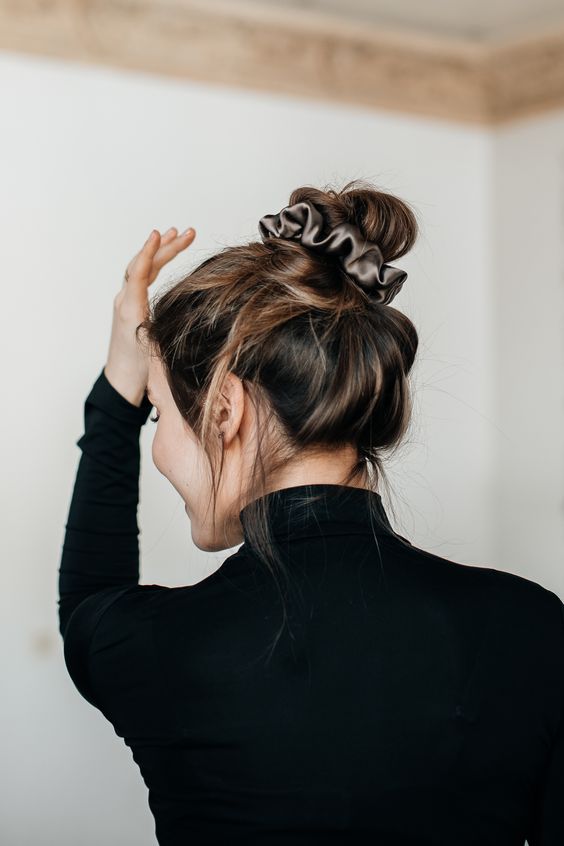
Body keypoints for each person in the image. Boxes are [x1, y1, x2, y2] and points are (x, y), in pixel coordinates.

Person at [58, 179, 564, 845]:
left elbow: (89, 602)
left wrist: (120, 387)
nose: (159, 448)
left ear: (225, 408)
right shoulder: (531, 628)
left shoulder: (156, 648)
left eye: (159, 413)